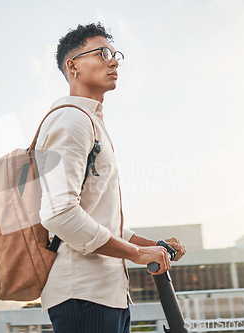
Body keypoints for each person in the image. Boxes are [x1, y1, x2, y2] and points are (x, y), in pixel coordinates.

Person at [35, 22, 186, 333]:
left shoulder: (90, 121)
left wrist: (149, 246)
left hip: (106, 293)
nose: (114, 60)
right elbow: (59, 213)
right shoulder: (71, 120)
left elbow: (97, 216)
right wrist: (137, 254)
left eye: (115, 53)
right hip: (82, 294)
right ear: (72, 65)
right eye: (102, 53)